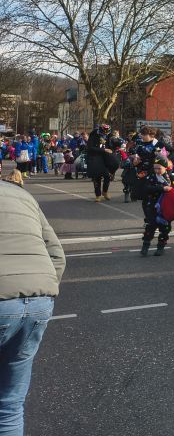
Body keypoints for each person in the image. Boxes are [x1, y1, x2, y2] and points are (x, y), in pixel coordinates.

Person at [0, 179, 65, 434]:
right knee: (10, 404)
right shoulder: (21, 194)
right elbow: (57, 255)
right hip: (38, 298)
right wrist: (44, 290)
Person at [140, 156, 174, 257]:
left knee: (165, 228)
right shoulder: (151, 177)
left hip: (166, 207)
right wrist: (161, 188)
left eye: (159, 168)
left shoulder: (171, 177)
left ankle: (160, 247)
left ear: (165, 167)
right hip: (153, 205)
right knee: (150, 226)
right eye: (155, 168)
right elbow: (146, 188)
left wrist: (172, 190)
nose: (157, 170)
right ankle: (145, 246)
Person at [85, 125, 116, 202]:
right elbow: (90, 148)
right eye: (104, 133)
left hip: (106, 158)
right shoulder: (93, 136)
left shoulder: (109, 136)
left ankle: (105, 192)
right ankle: (98, 195)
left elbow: (111, 146)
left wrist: (114, 147)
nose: (105, 134)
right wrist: (103, 150)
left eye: (107, 133)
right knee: (97, 177)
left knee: (107, 176)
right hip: (95, 158)